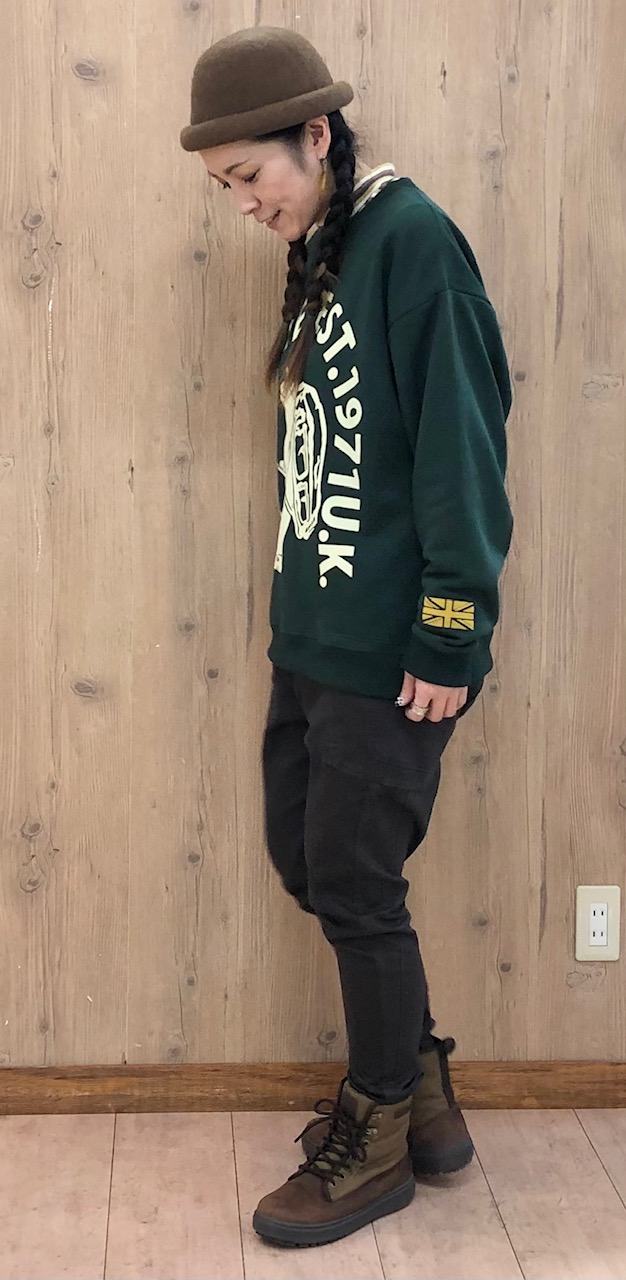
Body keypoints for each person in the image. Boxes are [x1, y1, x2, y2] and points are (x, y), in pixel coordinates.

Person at [181, 25, 513, 1249]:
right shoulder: (326, 246)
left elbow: (461, 447)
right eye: (223, 187)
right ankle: (418, 1090)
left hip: (392, 648)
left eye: (249, 175)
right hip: (315, 634)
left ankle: (375, 1140)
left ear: (314, 134)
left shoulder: (410, 243)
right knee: (310, 859)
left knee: (359, 883)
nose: (243, 203)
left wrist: (447, 630)